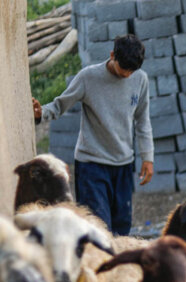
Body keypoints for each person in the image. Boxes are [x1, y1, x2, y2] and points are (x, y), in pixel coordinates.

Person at [32, 34, 154, 235]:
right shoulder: (88, 78)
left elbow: (142, 121)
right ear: (112, 55)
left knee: (122, 226)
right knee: (97, 226)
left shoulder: (140, 79)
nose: (126, 76)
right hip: (92, 166)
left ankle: (114, 265)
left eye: (131, 72)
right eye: (123, 70)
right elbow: (60, 105)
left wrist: (147, 157)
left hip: (123, 164)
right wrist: (40, 113)